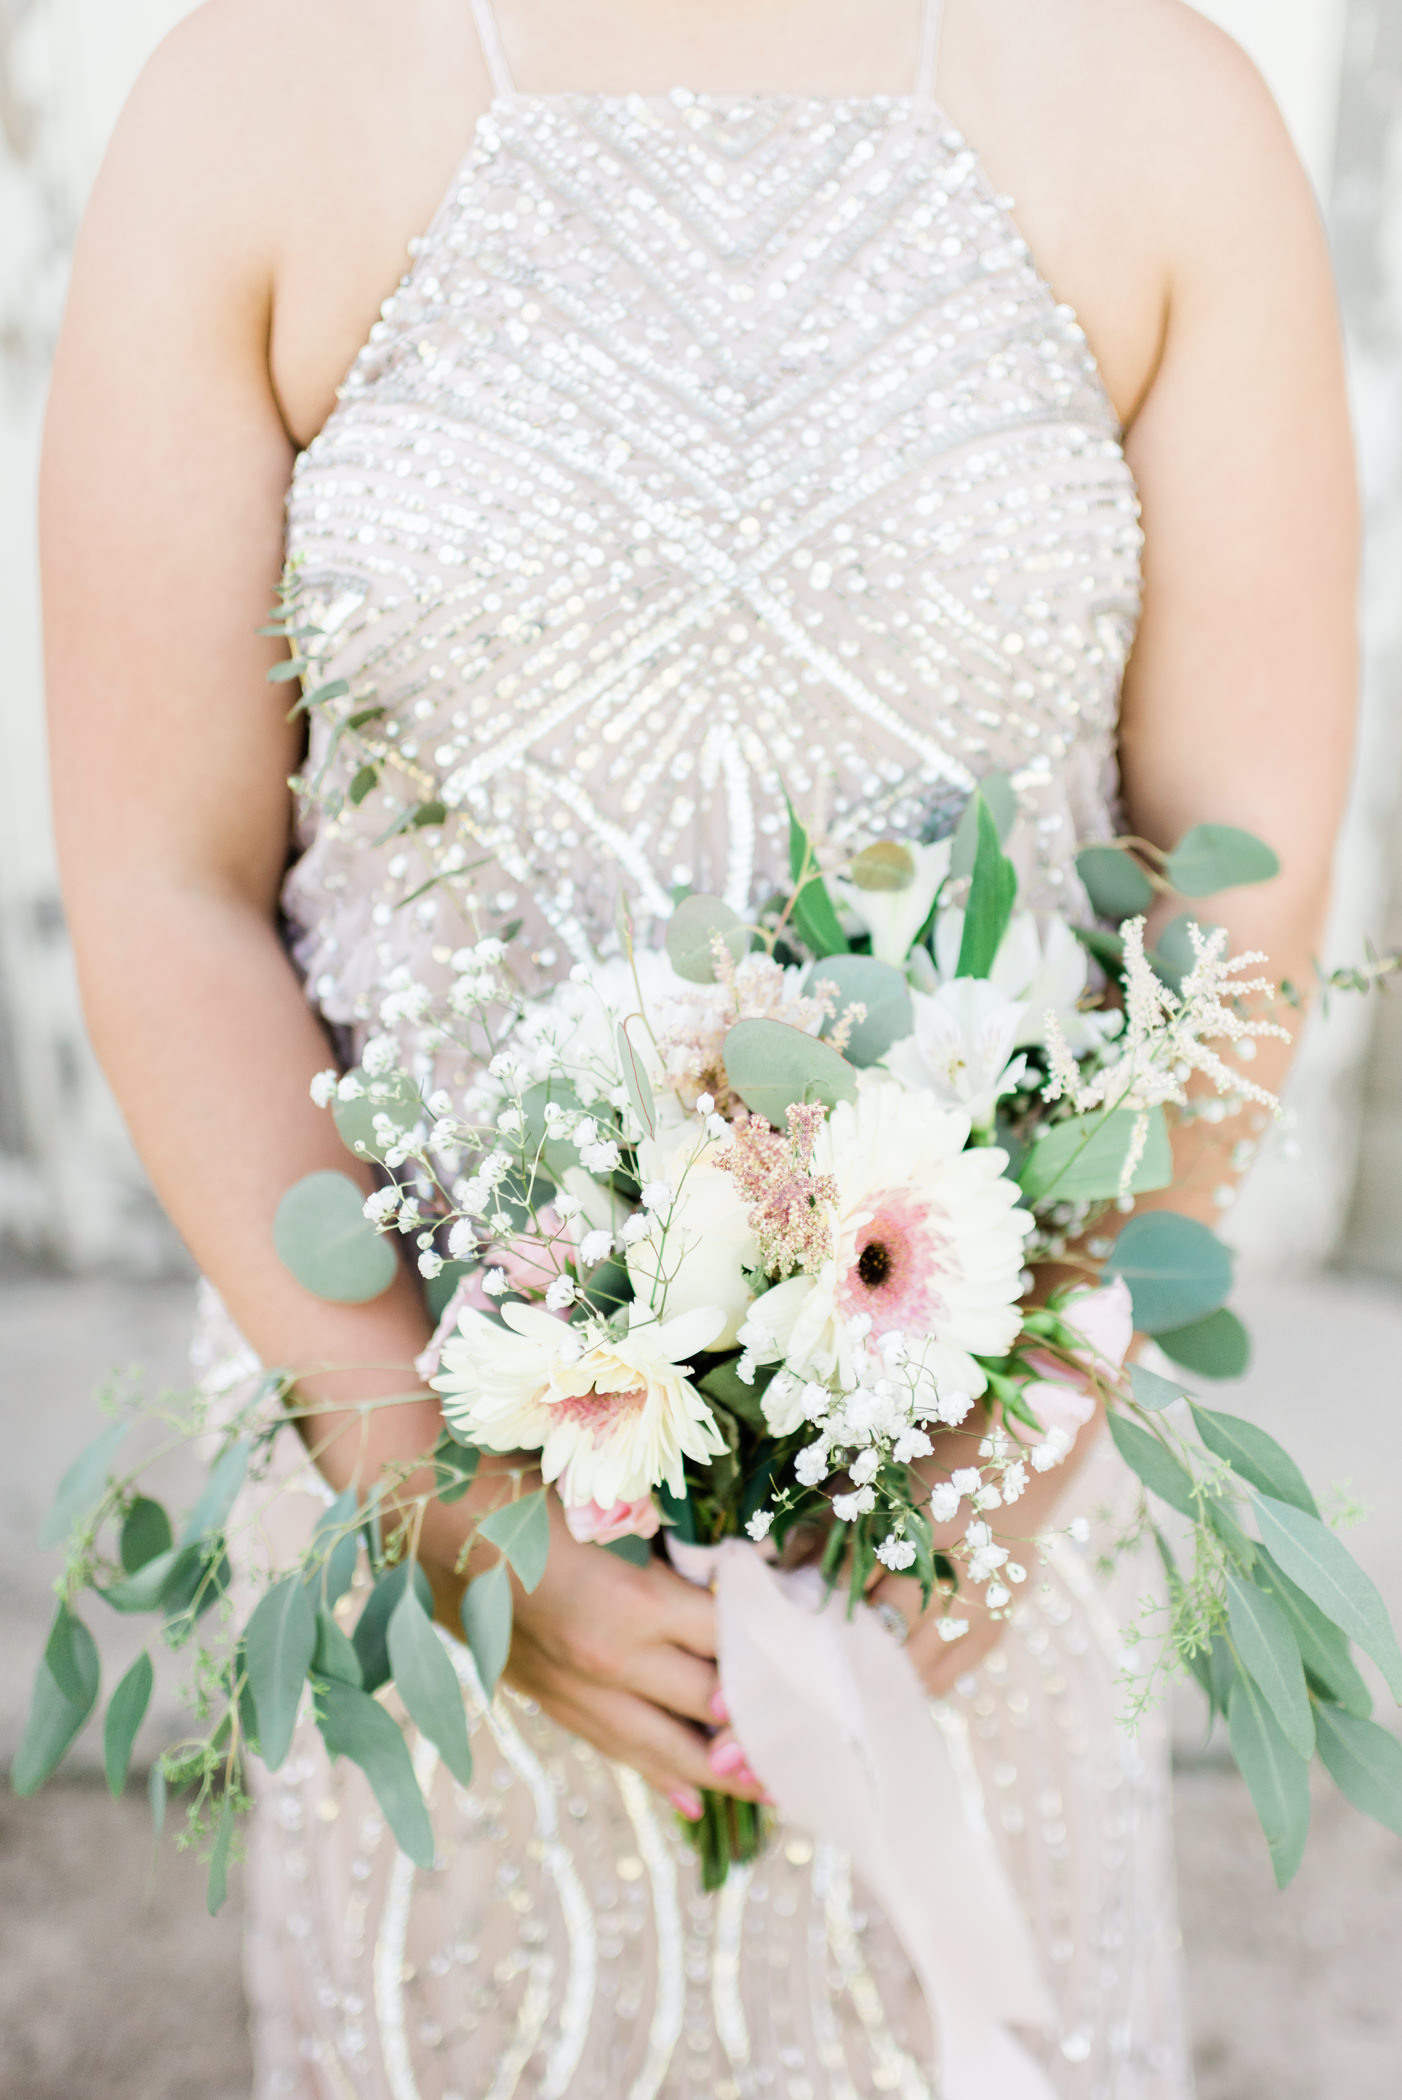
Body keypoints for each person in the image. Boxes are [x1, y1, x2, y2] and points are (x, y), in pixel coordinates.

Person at [42, 0, 1356, 2091]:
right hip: (427, 1495)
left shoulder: (1157, 110)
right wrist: (435, 1483)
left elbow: (1240, 899)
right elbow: (167, 883)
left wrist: (991, 1452)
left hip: (968, 1504)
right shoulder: (251, 97)